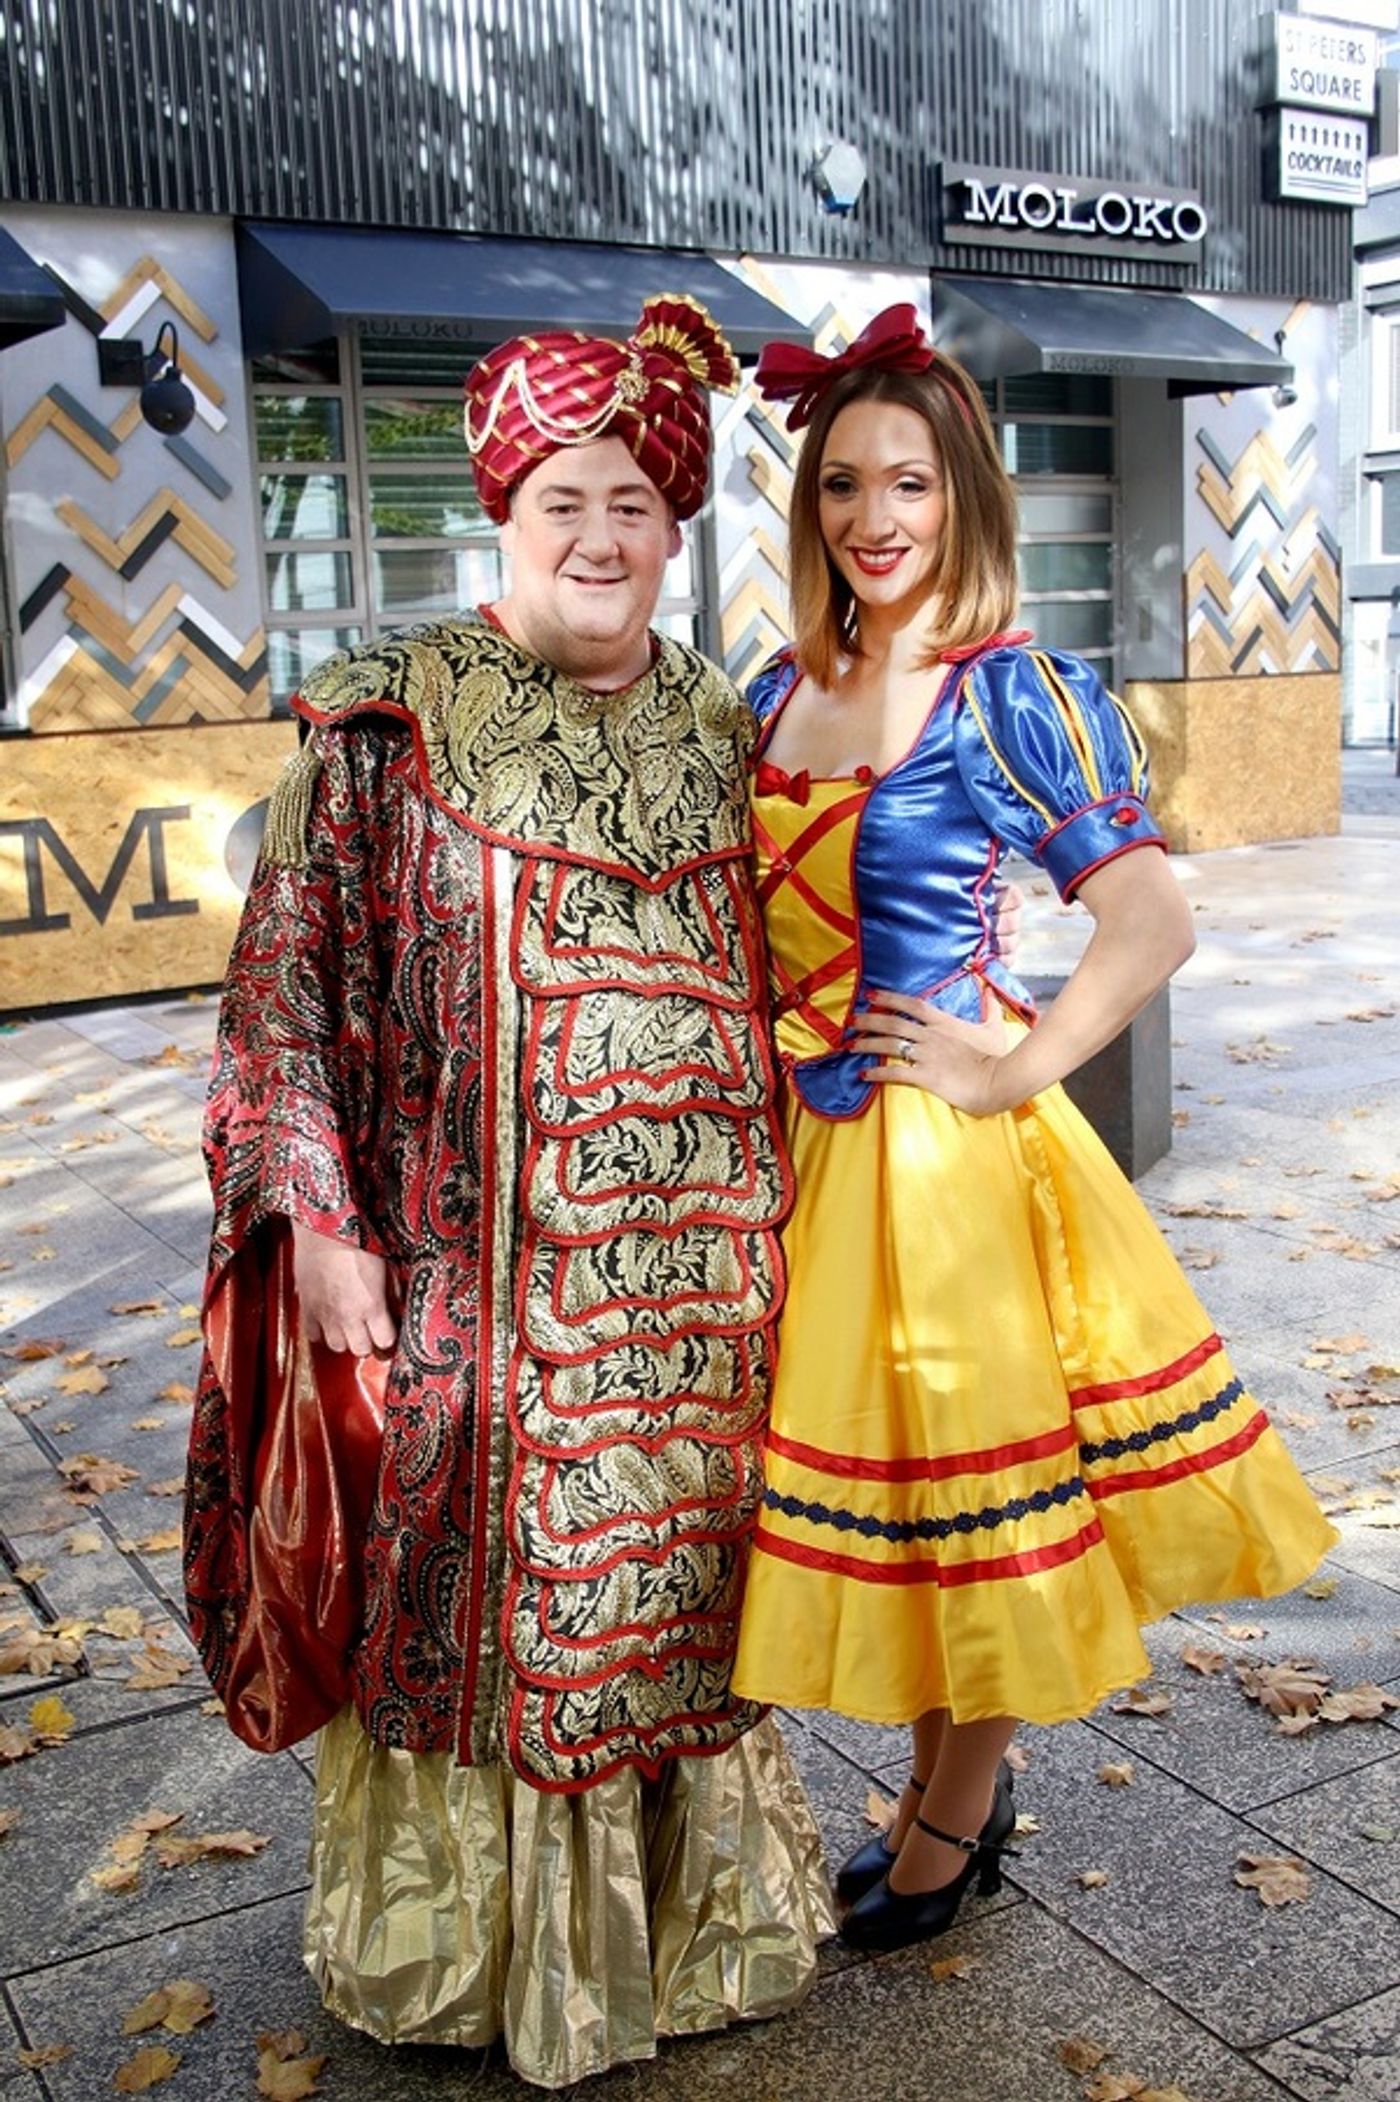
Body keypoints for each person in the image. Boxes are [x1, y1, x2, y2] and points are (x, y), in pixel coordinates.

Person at [182, 296, 837, 2090]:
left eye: (635, 500)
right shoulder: (391, 717)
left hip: (701, 1294)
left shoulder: (727, 722)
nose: (602, 535)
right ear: (505, 512)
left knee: (685, 1599)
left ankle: (696, 1933)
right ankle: (481, 1961)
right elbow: (281, 988)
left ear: (676, 524)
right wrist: (317, 1224)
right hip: (480, 1296)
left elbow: (817, 941)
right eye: (565, 498)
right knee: (485, 1596)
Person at [728, 304, 1339, 1953]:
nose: (875, 516)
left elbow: (1149, 916)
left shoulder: (1007, 692)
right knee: (906, 1504)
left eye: (909, 483)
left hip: (944, 1167)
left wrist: (1015, 1066)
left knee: (973, 1498)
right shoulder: (772, 685)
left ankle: (946, 1815)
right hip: (799, 1156)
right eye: (844, 482)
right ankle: (954, 1801)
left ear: (964, 499)